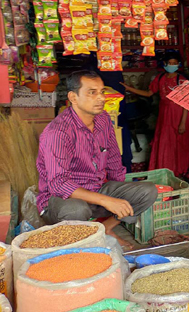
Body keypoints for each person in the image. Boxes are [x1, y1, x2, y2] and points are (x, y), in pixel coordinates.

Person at [36, 70, 158, 249]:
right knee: (77, 210)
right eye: (91, 92)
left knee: (147, 192)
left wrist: (119, 195)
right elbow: (59, 184)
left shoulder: (103, 120)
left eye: (102, 92)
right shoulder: (59, 132)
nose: (101, 98)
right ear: (73, 97)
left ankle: (105, 228)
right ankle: (85, 244)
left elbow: (114, 159)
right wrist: (106, 201)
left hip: (97, 188)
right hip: (60, 200)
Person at [121, 52, 189, 177]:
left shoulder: (182, 80)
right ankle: (166, 170)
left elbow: (186, 103)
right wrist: (129, 89)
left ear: (178, 64)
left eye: (174, 63)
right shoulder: (159, 78)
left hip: (180, 115)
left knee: (180, 143)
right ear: (164, 64)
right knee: (165, 142)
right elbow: (149, 93)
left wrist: (183, 123)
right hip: (165, 115)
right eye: (169, 63)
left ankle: (180, 171)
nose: (172, 65)